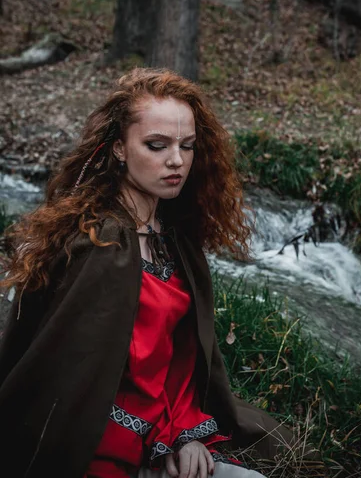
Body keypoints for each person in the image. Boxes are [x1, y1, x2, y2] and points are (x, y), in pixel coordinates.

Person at [0, 68, 295, 478]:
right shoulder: (99, 244)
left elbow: (177, 359)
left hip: (166, 430)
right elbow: (70, 375)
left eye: (187, 146)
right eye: (156, 145)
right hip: (98, 447)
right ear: (119, 148)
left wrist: (182, 435)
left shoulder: (171, 233)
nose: (176, 160)